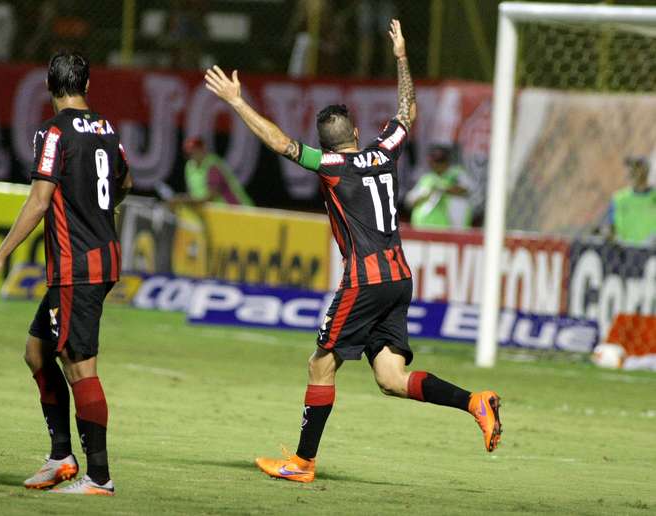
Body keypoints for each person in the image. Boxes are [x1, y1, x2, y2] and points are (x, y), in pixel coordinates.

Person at [204, 19, 502, 484]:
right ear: (358, 132)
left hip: (364, 281)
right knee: (391, 378)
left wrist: (237, 101)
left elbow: (282, 144)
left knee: (320, 363)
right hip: (400, 277)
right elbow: (408, 110)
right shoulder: (385, 151)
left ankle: (301, 463)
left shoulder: (331, 165)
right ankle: (474, 402)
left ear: (327, 144)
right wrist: (402, 55)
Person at [0, 51, 132, 495]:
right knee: (37, 352)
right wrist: (99, 211)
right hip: (101, 257)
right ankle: (61, 456)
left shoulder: (53, 130)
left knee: (80, 366)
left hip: (76, 265)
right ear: (87, 85)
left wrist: (1, 257)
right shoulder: (106, 128)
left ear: (49, 86)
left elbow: (40, 200)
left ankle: (99, 477)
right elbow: (126, 182)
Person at [406, 144, 471, 229]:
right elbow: (410, 201)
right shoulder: (427, 178)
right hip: (423, 225)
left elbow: (466, 189)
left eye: (440, 160)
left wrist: (442, 189)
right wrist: (427, 194)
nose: (436, 164)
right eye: (434, 160)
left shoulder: (456, 174)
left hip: (451, 227)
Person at [179, 137, 253, 206]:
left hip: (238, 209)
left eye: (195, 150)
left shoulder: (213, 165)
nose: (192, 155)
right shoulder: (189, 166)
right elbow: (194, 194)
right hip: (215, 212)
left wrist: (186, 201)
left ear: (203, 149)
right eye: (189, 153)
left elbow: (212, 195)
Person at [604, 156, 655, 245]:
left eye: (637, 166)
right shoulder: (618, 199)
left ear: (646, 170)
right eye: (630, 167)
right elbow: (610, 228)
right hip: (625, 252)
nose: (632, 170)